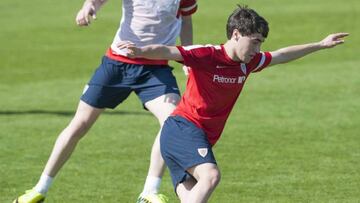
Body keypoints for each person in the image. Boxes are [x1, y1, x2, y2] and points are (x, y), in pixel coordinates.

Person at [122, 5, 349, 203]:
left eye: (261, 43)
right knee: (211, 176)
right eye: (255, 42)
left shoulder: (248, 63)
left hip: (199, 138)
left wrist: (320, 45)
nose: (257, 50)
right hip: (183, 129)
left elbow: (281, 54)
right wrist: (140, 51)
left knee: (192, 198)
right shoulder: (207, 54)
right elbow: (168, 51)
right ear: (237, 34)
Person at [13, 0, 198, 202]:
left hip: (155, 69)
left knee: (172, 121)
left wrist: (187, 56)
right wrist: (89, 6)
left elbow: (186, 20)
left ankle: (149, 192)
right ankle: (40, 188)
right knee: (80, 123)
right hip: (117, 64)